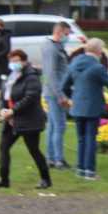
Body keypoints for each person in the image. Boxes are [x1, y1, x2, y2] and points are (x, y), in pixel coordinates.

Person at [60, 38, 108, 180]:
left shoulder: (74, 63)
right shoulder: (97, 68)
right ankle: (90, 171)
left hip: (77, 108)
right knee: (90, 139)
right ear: (99, 51)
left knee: (81, 139)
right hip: (92, 108)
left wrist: (72, 98)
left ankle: (81, 169)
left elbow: (64, 86)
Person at [0, 49, 51, 190]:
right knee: (4, 147)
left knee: (33, 150)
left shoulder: (32, 77)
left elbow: (30, 97)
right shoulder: (11, 76)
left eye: (16, 61)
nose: (13, 64)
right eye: (11, 61)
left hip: (29, 120)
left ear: (24, 61)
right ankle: (3, 179)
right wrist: (2, 109)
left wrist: (13, 110)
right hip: (11, 120)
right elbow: (3, 95)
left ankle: (46, 179)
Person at [41, 21, 72, 170]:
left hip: (55, 91)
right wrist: (60, 96)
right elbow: (51, 74)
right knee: (59, 126)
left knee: (53, 126)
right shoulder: (51, 48)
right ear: (59, 32)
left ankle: (51, 158)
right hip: (55, 92)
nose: (69, 36)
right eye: (67, 34)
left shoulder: (57, 46)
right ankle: (58, 160)